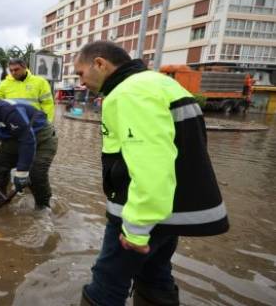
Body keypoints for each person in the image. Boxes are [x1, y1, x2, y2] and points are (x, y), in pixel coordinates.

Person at [74, 41, 229, 305]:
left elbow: (151, 163)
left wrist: (136, 228)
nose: (80, 82)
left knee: (107, 281)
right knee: (155, 275)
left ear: (100, 63)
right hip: (168, 210)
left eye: (80, 73)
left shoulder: (129, 92)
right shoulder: (161, 84)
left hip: (141, 214)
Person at [0, 58, 55, 122]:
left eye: (16, 69)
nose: (13, 72)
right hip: (13, 123)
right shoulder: (3, 84)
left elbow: (47, 104)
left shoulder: (40, 82)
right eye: (11, 70)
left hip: (35, 122)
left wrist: (47, 122)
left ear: (25, 67)